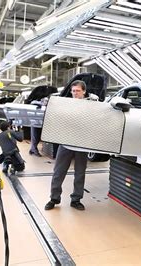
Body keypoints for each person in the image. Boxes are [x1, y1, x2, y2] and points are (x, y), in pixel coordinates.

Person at [45, 80, 90, 211]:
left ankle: (76, 200)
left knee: (80, 173)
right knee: (58, 172)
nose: (75, 93)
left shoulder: (90, 106)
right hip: (66, 143)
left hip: (82, 144)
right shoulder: (65, 105)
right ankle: (54, 198)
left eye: (78, 91)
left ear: (84, 92)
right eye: (73, 91)